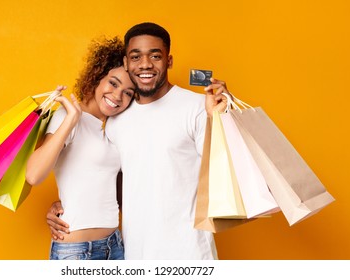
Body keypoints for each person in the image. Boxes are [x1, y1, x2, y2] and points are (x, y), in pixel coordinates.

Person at [47, 22, 229, 259]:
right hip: (133, 253)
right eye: (136, 57)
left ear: (169, 61)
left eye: (155, 56)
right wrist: (63, 207)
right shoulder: (116, 118)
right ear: (125, 63)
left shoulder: (198, 107)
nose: (145, 64)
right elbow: (110, 178)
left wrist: (221, 118)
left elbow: (225, 175)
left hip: (190, 253)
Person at [26, 36, 136, 260]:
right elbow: (34, 174)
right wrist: (70, 120)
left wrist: (61, 203)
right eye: (113, 83)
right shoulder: (68, 115)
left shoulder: (112, 128)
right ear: (98, 76)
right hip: (77, 251)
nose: (117, 96)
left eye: (128, 93)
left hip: (115, 245)